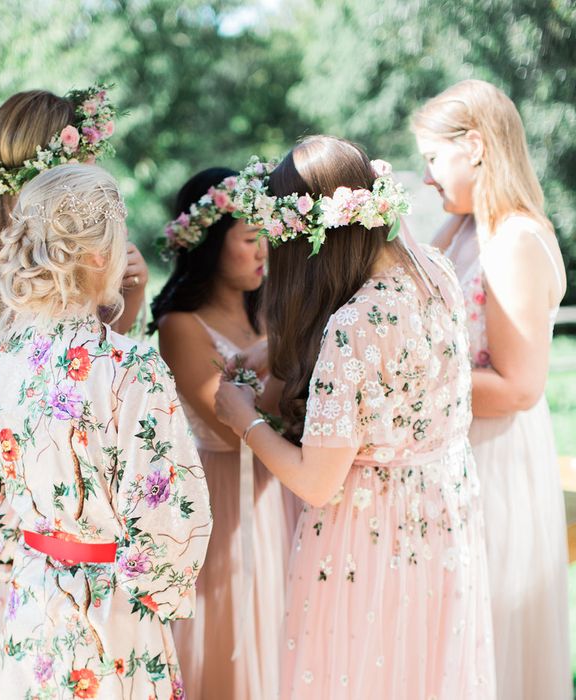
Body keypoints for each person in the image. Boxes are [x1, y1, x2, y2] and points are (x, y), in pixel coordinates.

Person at [215, 136, 496, 699]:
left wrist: (243, 417)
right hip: (440, 518)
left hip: (367, 537)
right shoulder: (434, 273)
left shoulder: (356, 325)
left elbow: (317, 481)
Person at [0, 87, 146, 699]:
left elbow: (86, 386)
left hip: (65, 522)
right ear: (50, 167)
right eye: (84, 163)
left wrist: (119, 304)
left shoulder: (67, 259)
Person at [0, 163, 211, 699]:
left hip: (34, 607)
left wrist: (30, 559)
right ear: (99, 255)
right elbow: (171, 519)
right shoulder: (132, 368)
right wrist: (153, 594)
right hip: (116, 617)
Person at [413, 78, 570, 699]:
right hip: (452, 450)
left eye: (432, 157)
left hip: (496, 459)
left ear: (475, 146)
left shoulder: (515, 241)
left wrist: (405, 380)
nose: (427, 177)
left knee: (490, 628)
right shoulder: (462, 231)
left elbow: (521, 386)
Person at [150, 168, 291, 700]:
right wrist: (288, 347)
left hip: (287, 490)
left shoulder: (274, 311)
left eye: (268, 240)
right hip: (226, 498)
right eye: (251, 240)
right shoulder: (180, 327)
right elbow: (234, 430)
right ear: (210, 243)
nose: (264, 254)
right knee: (232, 632)